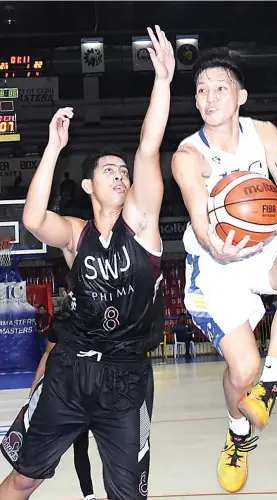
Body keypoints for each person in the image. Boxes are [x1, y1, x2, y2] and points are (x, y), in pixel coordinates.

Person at [0, 25, 175, 500]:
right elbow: (34, 218)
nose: (120, 175)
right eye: (108, 170)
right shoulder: (76, 236)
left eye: (123, 171)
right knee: (25, 478)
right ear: (89, 186)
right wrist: (54, 148)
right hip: (70, 372)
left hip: (126, 379)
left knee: (126, 495)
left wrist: (162, 82)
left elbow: (147, 147)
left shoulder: (141, 225)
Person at [172, 48, 277, 493]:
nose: (209, 97)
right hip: (215, 266)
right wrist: (218, 244)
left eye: (219, 88)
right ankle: (237, 438)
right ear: (195, 102)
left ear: (241, 96)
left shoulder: (265, 134)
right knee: (243, 368)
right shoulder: (187, 155)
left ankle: (270, 388)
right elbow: (199, 217)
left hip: (263, 249)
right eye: (201, 90)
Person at [29, 278, 96, 500]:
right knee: (77, 444)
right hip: (66, 390)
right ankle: (88, 495)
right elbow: (48, 355)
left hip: (92, 388)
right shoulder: (61, 320)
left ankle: (96, 493)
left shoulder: (96, 317)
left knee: (95, 444)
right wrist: (35, 386)